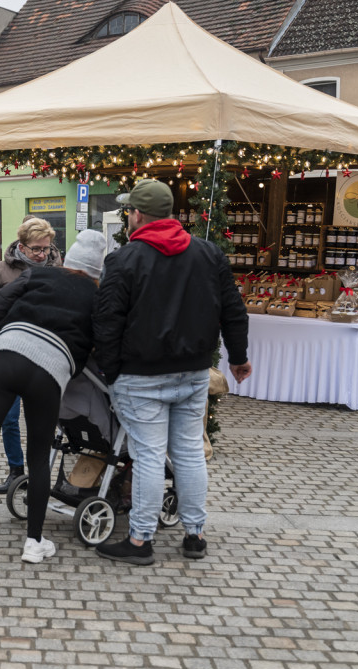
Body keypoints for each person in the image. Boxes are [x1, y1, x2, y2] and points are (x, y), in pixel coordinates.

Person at [92, 179, 251, 565]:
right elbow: (233, 309)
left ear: (137, 215)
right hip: (192, 371)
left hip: (140, 375)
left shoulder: (124, 259)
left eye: (129, 211)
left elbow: (107, 322)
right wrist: (237, 356)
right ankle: (194, 534)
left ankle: (140, 541)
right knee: (189, 453)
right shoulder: (208, 254)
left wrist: (111, 372)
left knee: (148, 456)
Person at [0, 234, 104, 563]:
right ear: (97, 268)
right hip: (50, 366)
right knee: (38, 454)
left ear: (69, 258)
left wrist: (12, 329)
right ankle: (33, 542)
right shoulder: (97, 294)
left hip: (6, 353)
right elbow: (102, 338)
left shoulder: (40, 272)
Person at [0, 216, 62, 494]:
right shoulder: (1, 270)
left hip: (47, 354)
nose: (41, 254)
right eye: (36, 248)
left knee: (45, 421)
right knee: (8, 418)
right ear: (21, 246)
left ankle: (42, 473)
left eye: (46, 248)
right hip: (9, 352)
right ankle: (15, 470)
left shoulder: (59, 269)